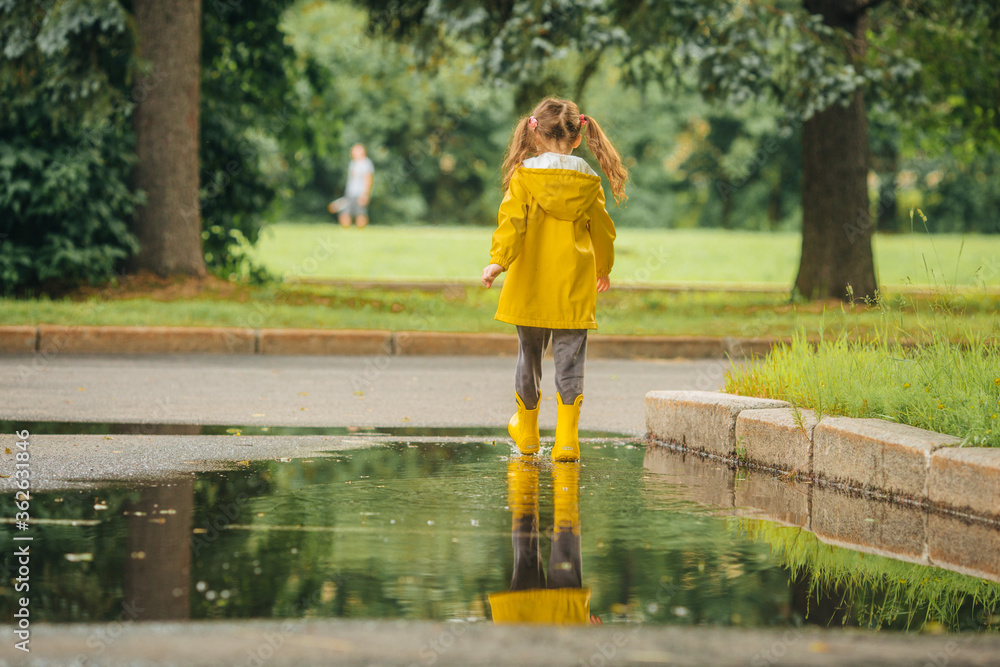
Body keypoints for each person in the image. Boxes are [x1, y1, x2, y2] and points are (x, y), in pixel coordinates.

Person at [480, 97, 627, 462]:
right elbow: (603, 232)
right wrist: (603, 268)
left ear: (535, 134)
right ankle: (566, 440)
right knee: (570, 361)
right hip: (573, 288)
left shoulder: (525, 176)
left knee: (529, 357)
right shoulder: (589, 180)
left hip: (531, 284)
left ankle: (528, 433)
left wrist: (498, 263)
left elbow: (511, 223)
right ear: (578, 138)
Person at [331, 143, 374, 228]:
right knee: (345, 213)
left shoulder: (366, 163)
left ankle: (361, 235)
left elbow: (368, 179)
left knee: (360, 214)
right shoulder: (353, 163)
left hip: (360, 193)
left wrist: (365, 194)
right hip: (350, 193)